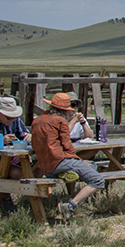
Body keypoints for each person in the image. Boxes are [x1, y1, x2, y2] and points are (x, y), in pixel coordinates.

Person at [31, 93, 106, 222]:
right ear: (65, 111)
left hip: (45, 167)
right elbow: (67, 146)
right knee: (97, 178)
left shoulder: (37, 120)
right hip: (60, 161)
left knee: (86, 166)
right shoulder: (60, 121)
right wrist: (80, 161)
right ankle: (70, 205)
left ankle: (67, 174)